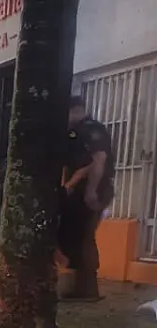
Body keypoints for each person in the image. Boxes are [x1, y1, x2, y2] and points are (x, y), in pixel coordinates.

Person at [59, 95, 116, 301]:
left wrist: (91, 190)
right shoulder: (74, 133)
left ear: (76, 110)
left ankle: (88, 289)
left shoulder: (91, 129)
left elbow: (98, 160)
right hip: (80, 190)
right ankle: (80, 286)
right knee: (78, 234)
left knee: (86, 236)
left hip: (95, 190)